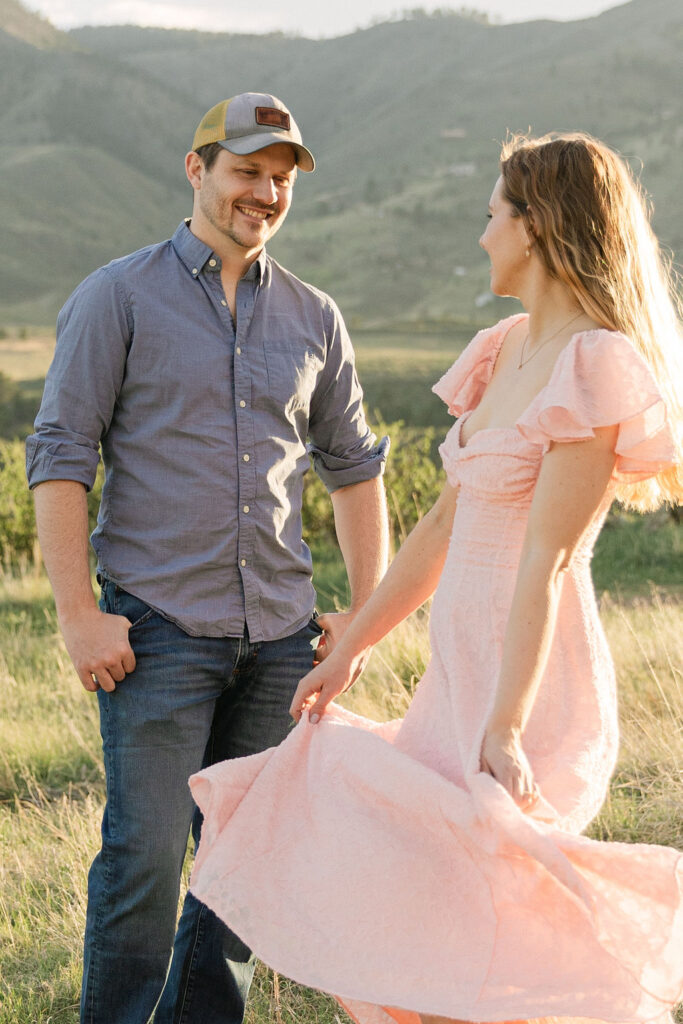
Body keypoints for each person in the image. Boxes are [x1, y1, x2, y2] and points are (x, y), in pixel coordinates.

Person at [187, 132, 683, 1024]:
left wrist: (505, 724)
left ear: (533, 229)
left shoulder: (594, 363)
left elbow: (550, 556)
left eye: (492, 214)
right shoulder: (501, 347)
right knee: (411, 902)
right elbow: (445, 523)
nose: (481, 233)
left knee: (480, 916)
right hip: (458, 670)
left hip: (528, 675)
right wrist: (353, 647)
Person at [26, 92, 389, 1024]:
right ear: (197, 170)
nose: (263, 194)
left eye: (279, 180)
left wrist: (364, 608)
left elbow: (353, 470)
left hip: (278, 639)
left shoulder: (317, 316)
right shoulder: (119, 296)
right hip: (156, 632)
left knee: (239, 876)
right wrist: (78, 613)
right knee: (145, 861)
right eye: (246, 171)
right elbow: (62, 455)